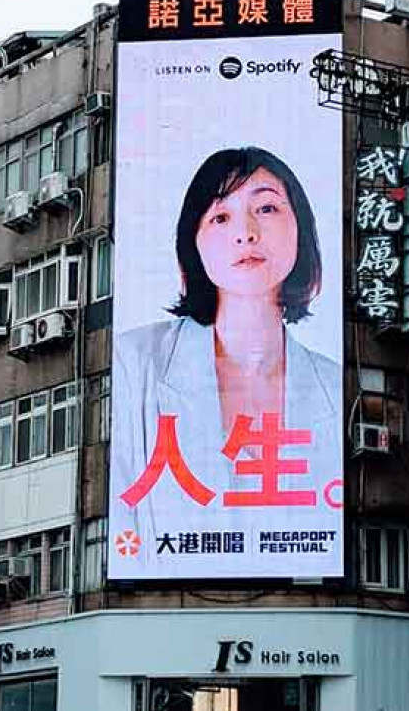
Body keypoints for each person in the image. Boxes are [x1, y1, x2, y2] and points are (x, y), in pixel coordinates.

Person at [110, 147, 340, 558]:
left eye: (266, 208)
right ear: (192, 243)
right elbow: (125, 517)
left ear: (301, 229)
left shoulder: (334, 386)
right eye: (220, 216)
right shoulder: (136, 362)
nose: (246, 232)